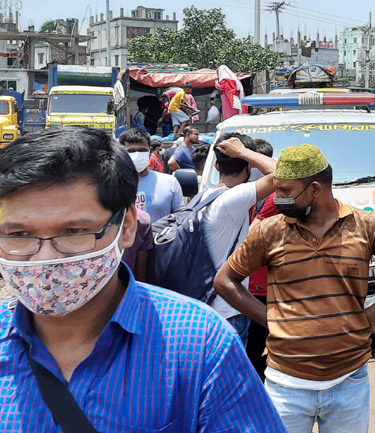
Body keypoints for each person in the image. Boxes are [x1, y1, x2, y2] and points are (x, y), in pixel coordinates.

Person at [0, 127, 285, 432]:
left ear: (126, 227)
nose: (46, 258)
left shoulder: (200, 345)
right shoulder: (226, 200)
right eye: (19, 235)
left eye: (75, 232)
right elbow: (282, 174)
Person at [214, 144, 375, 433]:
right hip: (285, 386)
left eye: (285, 191)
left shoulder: (366, 225)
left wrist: (367, 317)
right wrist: (270, 319)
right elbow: (224, 281)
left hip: (349, 382)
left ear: (315, 189)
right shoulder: (269, 231)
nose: (277, 198)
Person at [204, 134, 277, 345]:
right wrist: (245, 153)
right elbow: (284, 174)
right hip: (229, 312)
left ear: (217, 165)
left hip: (209, 307)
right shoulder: (234, 198)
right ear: (248, 168)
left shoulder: (202, 199)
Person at [118, 127, 185, 281]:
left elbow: (180, 220)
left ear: (150, 151)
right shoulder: (111, 184)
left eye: (142, 150)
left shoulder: (169, 182)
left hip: (160, 255)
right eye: (131, 151)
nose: (136, 155)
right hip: (122, 256)